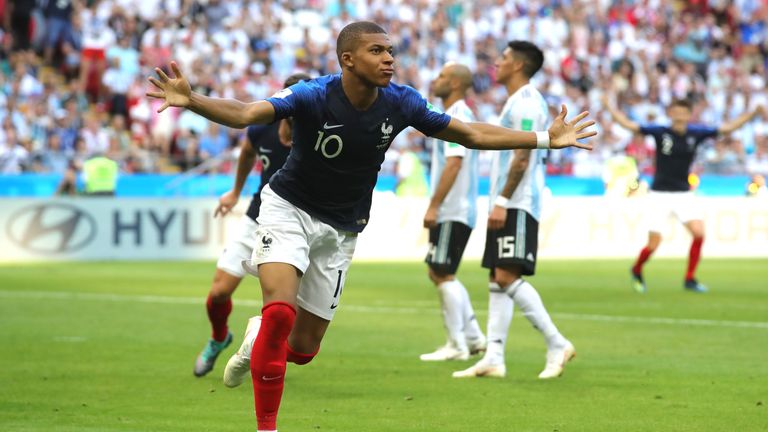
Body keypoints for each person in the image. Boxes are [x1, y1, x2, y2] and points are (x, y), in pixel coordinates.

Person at [148, 21, 595, 432]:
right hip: (289, 209)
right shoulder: (311, 95)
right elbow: (247, 113)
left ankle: (255, 338)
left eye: (391, 51)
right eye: (377, 51)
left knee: (302, 350)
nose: (389, 59)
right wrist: (192, 101)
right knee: (280, 312)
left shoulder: (401, 102)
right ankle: (267, 425)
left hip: (342, 229)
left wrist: (544, 139)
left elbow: (471, 134)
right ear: (347, 59)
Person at [452, 41, 576, 380]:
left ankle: (556, 342)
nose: (497, 62)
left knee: (507, 275)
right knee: (497, 276)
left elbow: (523, 153)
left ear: (519, 65)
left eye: (504, 58)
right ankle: (494, 356)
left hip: (518, 201)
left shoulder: (525, 102)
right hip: (510, 200)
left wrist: (503, 201)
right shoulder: (518, 100)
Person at [193, 73, 311, 379]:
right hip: (257, 217)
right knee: (219, 292)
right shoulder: (262, 129)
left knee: (281, 312)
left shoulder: (317, 136)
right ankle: (220, 337)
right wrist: (235, 191)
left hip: (297, 225)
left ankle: (256, 348)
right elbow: (247, 153)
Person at [603, 96, 764, 293]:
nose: (680, 115)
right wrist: (609, 108)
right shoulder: (660, 132)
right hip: (660, 194)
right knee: (654, 244)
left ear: (689, 114)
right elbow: (630, 125)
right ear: (670, 113)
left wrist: (752, 114)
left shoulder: (696, 133)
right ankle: (636, 269)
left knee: (699, 233)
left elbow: (728, 129)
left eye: (684, 111)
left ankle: (689, 279)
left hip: (683, 194)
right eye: (676, 111)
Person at [420, 62, 486, 362]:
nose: (437, 79)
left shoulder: (456, 116)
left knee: (441, 272)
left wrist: (434, 205)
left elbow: (454, 162)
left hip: (453, 208)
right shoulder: (459, 115)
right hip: (458, 207)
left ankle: (456, 344)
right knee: (441, 272)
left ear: (457, 84)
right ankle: (472, 338)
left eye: (443, 75)